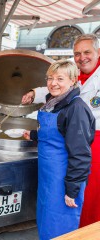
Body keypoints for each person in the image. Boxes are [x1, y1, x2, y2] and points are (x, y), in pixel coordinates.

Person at [22, 33, 100, 228]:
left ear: (98, 52)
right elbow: (55, 88)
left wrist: (72, 188)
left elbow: (79, 153)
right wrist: (33, 134)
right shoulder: (75, 79)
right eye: (77, 53)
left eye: (87, 52)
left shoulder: (76, 106)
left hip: (88, 146)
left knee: (84, 204)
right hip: (55, 168)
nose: (82, 57)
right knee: (50, 215)